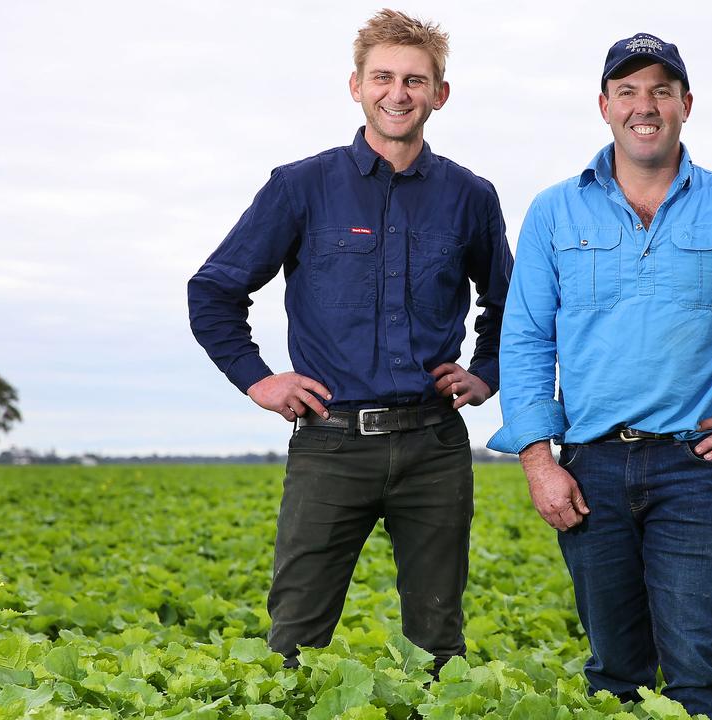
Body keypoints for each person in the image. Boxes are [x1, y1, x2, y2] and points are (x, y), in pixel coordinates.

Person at [487, 32, 712, 719]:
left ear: (686, 103)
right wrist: (538, 460)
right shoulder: (554, 211)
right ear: (604, 105)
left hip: (697, 468)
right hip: (589, 468)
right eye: (627, 91)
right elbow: (526, 339)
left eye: (659, 90)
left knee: (700, 677)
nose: (643, 105)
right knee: (613, 675)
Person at [187, 9, 512, 671]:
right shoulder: (300, 187)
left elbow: (512, 305)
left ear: (439, 94)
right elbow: (213, 290)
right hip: (331, 443)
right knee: (295, 639)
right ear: (356, 85)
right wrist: (258, 378)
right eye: (384, 77)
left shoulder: (470, 196)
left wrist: (487, 371)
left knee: (438, 644)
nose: (399, 92)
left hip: (433, 445)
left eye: (416, 81)